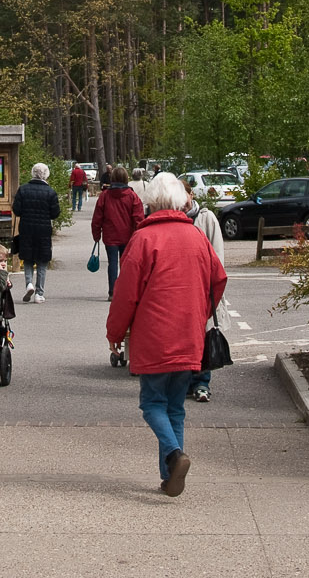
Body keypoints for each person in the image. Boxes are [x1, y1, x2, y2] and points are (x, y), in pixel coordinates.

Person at [105, 171, 227, 497]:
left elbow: (125, 293)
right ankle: (170, 475)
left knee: (151, 404)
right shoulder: (197, 237)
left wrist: (115, 333)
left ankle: (174, 456)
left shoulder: (144, 240)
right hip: (189, 333)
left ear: (152, 202)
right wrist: (199, 311)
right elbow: (218, 279)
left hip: (155, 335)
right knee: (176, 407)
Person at [185, 187, 230, 403]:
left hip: (204, 288)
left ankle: (202, 382)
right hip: (183, 290)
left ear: (191, 195)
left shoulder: (206, 218)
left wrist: (215, 283)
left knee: (203, 335)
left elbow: (217, 252)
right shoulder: (173, 221)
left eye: (184, 195)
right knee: (185, 339)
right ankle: (186, 381)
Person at [90, 165, 143, 300]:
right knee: (126, 264)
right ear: (126, 178)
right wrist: (140, 235)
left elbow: (97, 217)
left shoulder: (105, 196)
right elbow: (138, 217)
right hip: (128, 236)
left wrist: (96, 235)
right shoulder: (132, 196)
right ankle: (126, 292)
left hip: (110, 236)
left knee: (112, 263)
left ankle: (112, 292)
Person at [13, 162, 60, 302]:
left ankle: (28, 283)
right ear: (46, 175)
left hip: (26, 228)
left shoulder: (23, 189)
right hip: (43, 230)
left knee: (28, 258)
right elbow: (55, 213)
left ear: (32, 173)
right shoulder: (50, 192)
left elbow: (17, 210)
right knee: (42, 260)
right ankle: (39, 293)